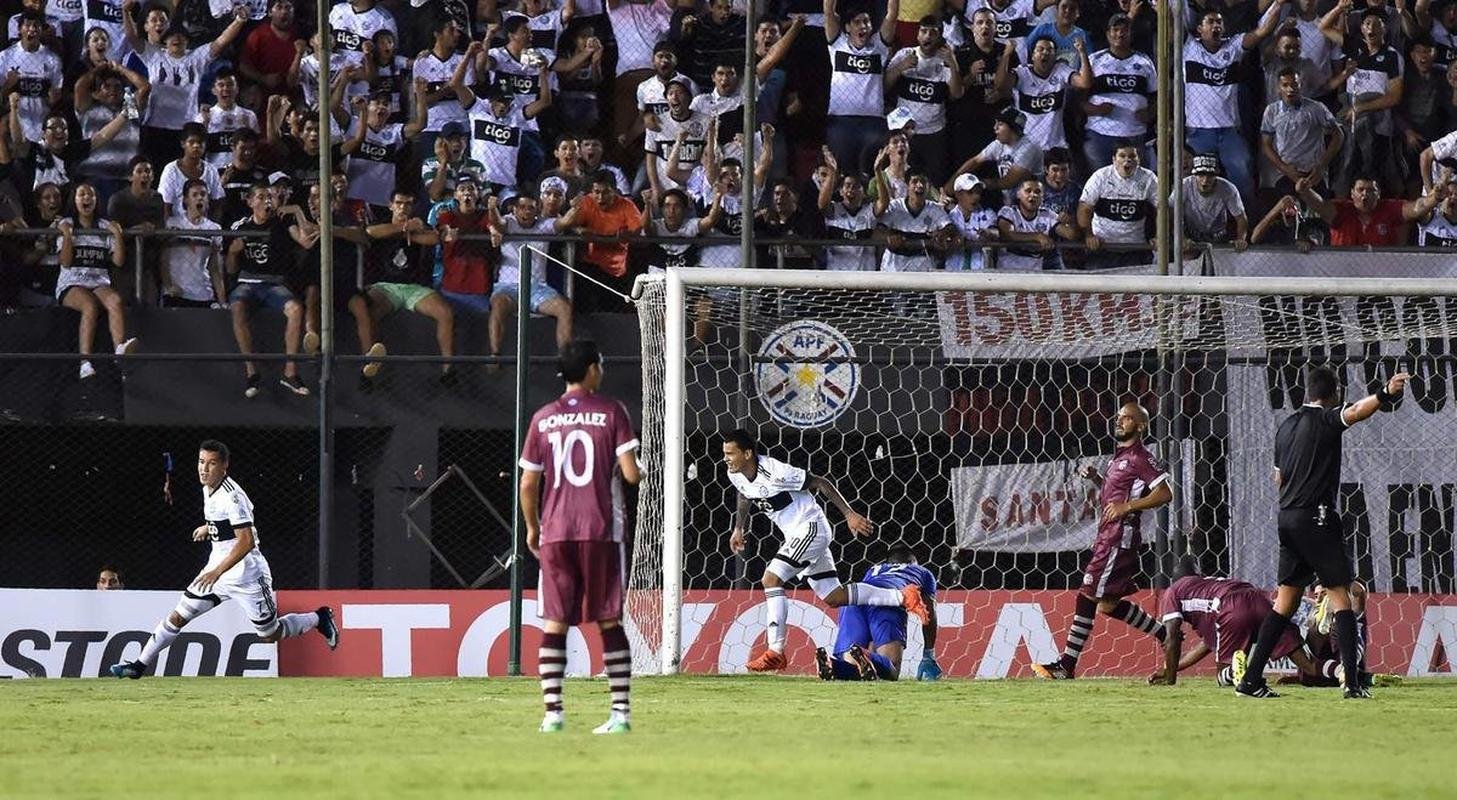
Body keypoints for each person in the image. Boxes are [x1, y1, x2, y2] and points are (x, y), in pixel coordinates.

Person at [1235, 365, 1411, 699]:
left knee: (1285, 602)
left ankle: (1251, 680)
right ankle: (1353, 685)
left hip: (1287, 518)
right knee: (1341, 596)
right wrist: (1385, 393)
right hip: (1316, 517)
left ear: (1308, 390)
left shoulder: (1286, 427)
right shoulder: (1326, 420)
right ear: (1336, 392)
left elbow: (1278, 478)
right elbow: (1357, 412)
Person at [109, 440, 339, 679]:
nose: (204, 469)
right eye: (201, 462)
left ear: (224, 466)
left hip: (247, 575)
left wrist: (217, 571)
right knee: (178, 616)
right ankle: (138, 666)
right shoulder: (209, 487)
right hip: (216, 570)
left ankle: (319, 617)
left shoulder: (232, 496)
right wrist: (209, 528)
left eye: (211, 463)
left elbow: (246, 541)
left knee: (270, 634)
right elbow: (232, 521)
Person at [722, 429, 930, 672]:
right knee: (834, 597)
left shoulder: (777, 473)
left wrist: (849, 515)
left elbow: (821, 483)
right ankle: (904, 597)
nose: (726, 458)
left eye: (730, 453)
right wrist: (738, 527)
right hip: (797, 534)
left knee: (771, 579)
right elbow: (745, 494)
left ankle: (775, 651)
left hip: (811, 528)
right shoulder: (735, 474)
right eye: (725, 453)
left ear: (747, 454)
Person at [518, 340, 642, 734]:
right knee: (608, 620)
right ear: (591, 370)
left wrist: (533, 527)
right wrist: (644, 468)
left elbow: (527, 483)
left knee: (555, 622)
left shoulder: (543, 418)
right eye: (599, 366)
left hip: (556, 532)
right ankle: (619, 714)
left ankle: (553, 714)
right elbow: (631, 474)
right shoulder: (611, 411)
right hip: (601, 529)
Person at [1034, 402, 1173, 680]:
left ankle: (1066, 666)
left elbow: (1165, 493)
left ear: (1141, 426)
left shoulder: (1140, 457)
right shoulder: (1118, 458)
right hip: (1108, 536)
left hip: (1118, 538)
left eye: (1127, 418)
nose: (1119, 421)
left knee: (1087, 595)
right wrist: (1099, 479)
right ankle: (1165, 634)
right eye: (1118, 416)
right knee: (1107, 604)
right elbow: (1117, 496)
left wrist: (1128, 507)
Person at [356, 189, 456, 388]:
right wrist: (403, 228)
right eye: (399, 203)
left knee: (445, 313)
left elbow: (433, 238)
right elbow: (370, 232)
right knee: (369, 313)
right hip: (385, 286)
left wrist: (412, 232)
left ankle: (449, 369)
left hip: (413, 287)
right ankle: (369, 365)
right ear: (391, 205)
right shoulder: (382, 223)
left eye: (408, 204)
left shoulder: (419, 224)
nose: (403, 208)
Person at [227, 182, 314, 399]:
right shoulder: (240, 226)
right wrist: (233, 253)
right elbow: (230, 269)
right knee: (237, 306)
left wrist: (297, 211)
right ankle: (251, 372)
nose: (266, 201)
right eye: (260, 197)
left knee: (295, 309)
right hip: (247, 282)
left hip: (275, 284)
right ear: (250, 202)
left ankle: (290, 372)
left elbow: (306, 242)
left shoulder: (282, 222)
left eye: (269, 197)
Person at [1148, 572, 1307, 687]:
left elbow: (1171, 638)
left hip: (1231, 607)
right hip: (1260, 599)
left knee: (1222, 677)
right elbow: (1207, 644)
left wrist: (1169, 675)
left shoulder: (1173, 591)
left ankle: (1233, 671)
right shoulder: (1207, 585)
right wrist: (1174, 667)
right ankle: (1315, 674)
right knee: (1308, 666)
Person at [815, 543, 941, 681]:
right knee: (891, 669)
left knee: (857, 667)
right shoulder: (922, 572)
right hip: (888, 600)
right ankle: (864, 654)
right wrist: (928, 654)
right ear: (913, 561)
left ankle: (832, 665)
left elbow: (867, 610)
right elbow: (930, 613)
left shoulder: (873, 570)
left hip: (853, 600)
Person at [57, 182, 135, 381]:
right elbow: (65, 262)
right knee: (89, 306)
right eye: (82, 194)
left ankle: (120, 352)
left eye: (90, 195)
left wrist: (117, 234)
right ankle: (85, 362)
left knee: (115, 301)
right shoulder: (67, 223)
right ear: (74, 200)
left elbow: (118, 261)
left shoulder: (104, 226)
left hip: (98, 281)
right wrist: (67, 235)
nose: (87, 198)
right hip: (72, 282)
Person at [1077, 141, 1157, 268]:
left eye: (1132, 156)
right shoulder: (1101, 177)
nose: (1127, 160)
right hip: (1103, 246)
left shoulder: (1147, 178)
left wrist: (1159, 236)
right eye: (1122, 156)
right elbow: (1084, 208)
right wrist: (1089, 235)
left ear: (1138, 160)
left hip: (1136, 247)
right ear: (1114, 159)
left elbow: (1162, 208)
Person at [1177, 153, 1249, 249]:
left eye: (1210, 175)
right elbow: (1171, 212)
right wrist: (1182, 238)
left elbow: (1241, 218)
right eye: (1201, 175)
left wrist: (1241, 239)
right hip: (1190, 236)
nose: (1205, 180)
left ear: (1216, 175)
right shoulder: (1184, 185)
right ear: (1194, 175)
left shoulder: (1228, 188)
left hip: (1219, 237)